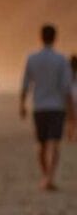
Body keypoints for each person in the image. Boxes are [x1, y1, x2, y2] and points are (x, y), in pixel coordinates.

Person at [20, 24, 73, 191]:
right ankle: (49, 176)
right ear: (55, 37)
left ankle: (45, 175)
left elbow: (25, 84)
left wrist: (22, 105)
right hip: (57, 107)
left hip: (39, 107)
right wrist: (72, 111)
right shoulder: (62, 59)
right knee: (54, 143)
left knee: (41, 145)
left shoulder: (32, 58)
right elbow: (66, 88)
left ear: (41, 37)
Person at [68, 55, 77, 142]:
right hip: (73, 97)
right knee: (73, 118)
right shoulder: (69, 74)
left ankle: (71, 134)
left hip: (70, 97)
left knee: (71, 118)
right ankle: (72, 134)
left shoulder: (67, 73)